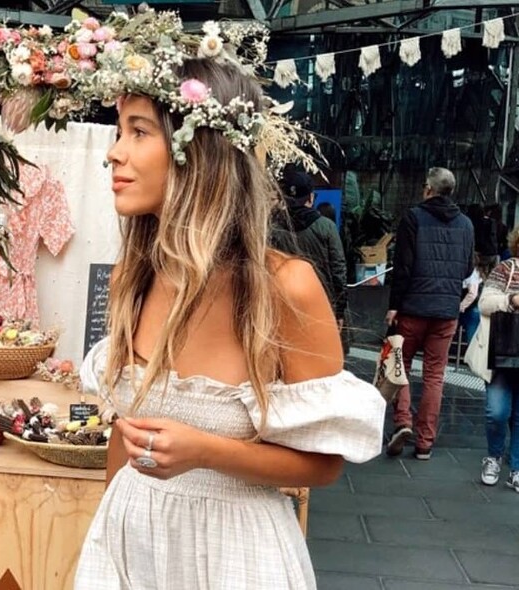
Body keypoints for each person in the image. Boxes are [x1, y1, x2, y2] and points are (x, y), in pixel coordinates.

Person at [75, 55, 385, 589]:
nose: (114, 153)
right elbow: (123, 439)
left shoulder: (284, 287)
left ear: (198, 152)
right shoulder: (136, 274)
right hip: (132, 536)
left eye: (138, 131)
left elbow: (326, 463)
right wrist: (106, 544)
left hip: (234, 554)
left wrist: (206, 451)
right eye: (119, 130)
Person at [385, 167, 474, 460]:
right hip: (446, 311)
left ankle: (403, 423)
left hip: (412, 307)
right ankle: (425, 443)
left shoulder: (413, 218)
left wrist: (394, 305)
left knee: (402, 363)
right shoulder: (466, 224)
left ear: (428, 189)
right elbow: (467, 270)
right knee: (435, 375)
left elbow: (403, 266)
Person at [465, 230, 519, 490]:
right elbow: (484, 304)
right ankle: (494, 457)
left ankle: (517, 468)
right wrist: (512, 300)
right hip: (503, 351)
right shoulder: (505, 269)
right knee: (497, 412)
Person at [272, 169, 347, 327]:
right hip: (321, 304)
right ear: (311, 197)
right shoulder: (326, 227)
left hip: (284, 305)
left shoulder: (273, 230)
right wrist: (340, 310)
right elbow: (338, 270)